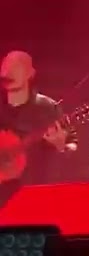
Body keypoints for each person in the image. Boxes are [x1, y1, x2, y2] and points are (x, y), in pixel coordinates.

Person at [0, 51, 73, 206]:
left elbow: (73, 145)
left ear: (30, 73)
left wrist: (61, 146)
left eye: (16, 67)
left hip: (34, 195)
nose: (8, 72)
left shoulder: (48, 108)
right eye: (5, 67)